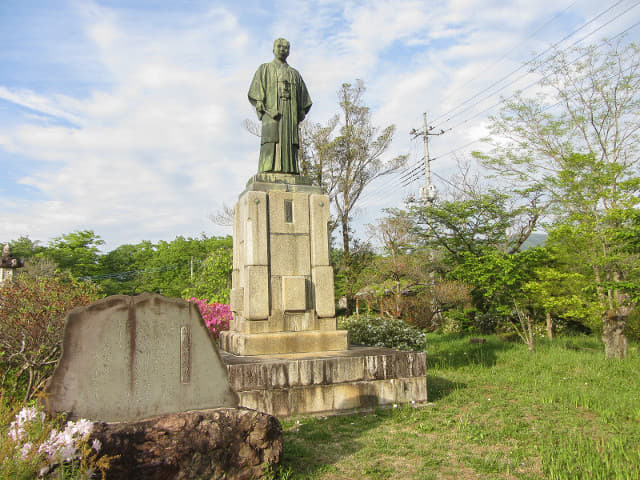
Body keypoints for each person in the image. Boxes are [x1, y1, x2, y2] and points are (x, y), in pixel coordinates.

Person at [248, 38, 312, 174]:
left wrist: (301, 110)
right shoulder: (264, 69)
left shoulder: (295, 74)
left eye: (286, 47)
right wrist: (259, 102)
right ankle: (268, 169)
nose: (282, 50)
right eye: (279, 47)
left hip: (289, 116)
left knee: (289, 145)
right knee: (271, 142)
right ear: (273, 49)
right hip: (271, 115)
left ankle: (291, 170)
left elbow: (304, 99)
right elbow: (255, 92)